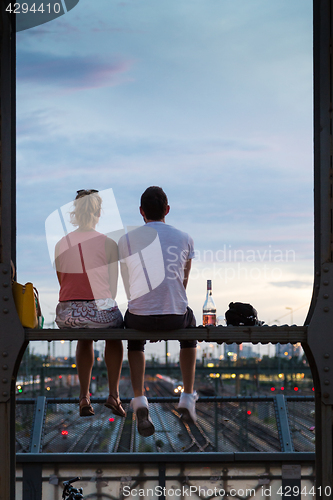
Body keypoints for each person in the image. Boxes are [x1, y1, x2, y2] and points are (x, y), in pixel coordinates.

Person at [119, 186, 198, 437]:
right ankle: (187, 395)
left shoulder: (126, 240)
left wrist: (148, 314)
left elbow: (128, 284)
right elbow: (182, 283)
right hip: (175, 315)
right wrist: (165, 311)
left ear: (141, 212)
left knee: (134, 337)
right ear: (167, 210)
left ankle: (140, 400)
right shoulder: (185, 238)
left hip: (140, 315)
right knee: (191, 322)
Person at [55, 189, 125, 418]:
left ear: (75, 212)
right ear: (98, 212)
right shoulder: (108, 244)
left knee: (83, 335)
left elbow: (63, 283)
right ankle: (113, 394)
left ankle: (84, 396)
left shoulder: (60, 244)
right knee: (116, 331)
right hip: (99, 312)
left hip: (67, 315)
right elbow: (112, 290)